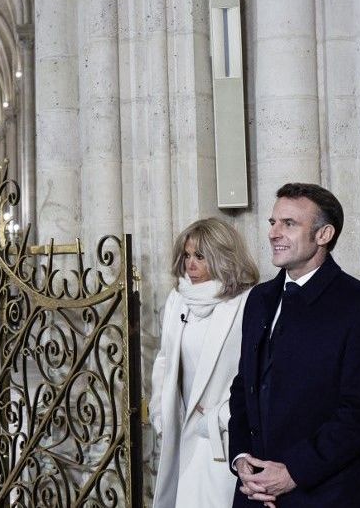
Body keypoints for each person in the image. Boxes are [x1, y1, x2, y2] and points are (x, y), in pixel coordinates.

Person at [227, 183, 360, 507]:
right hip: (254, 492)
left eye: (289, 224)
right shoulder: (259, 299)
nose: (274, 233)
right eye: (273, 222)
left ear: (324, 234)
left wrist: (293, 471)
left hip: (322, 493)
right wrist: (241, 458)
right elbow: (243, 386)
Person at [150, 217, 259, 507]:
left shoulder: (247, 301)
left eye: (200, 256)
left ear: (222, 256)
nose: (190, 264)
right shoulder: (179, 299)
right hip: (181, 423)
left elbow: (255, 369)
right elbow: (165, 359)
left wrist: (221, 415)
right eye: (186, 255)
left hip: (221, 434)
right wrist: (160, 413)